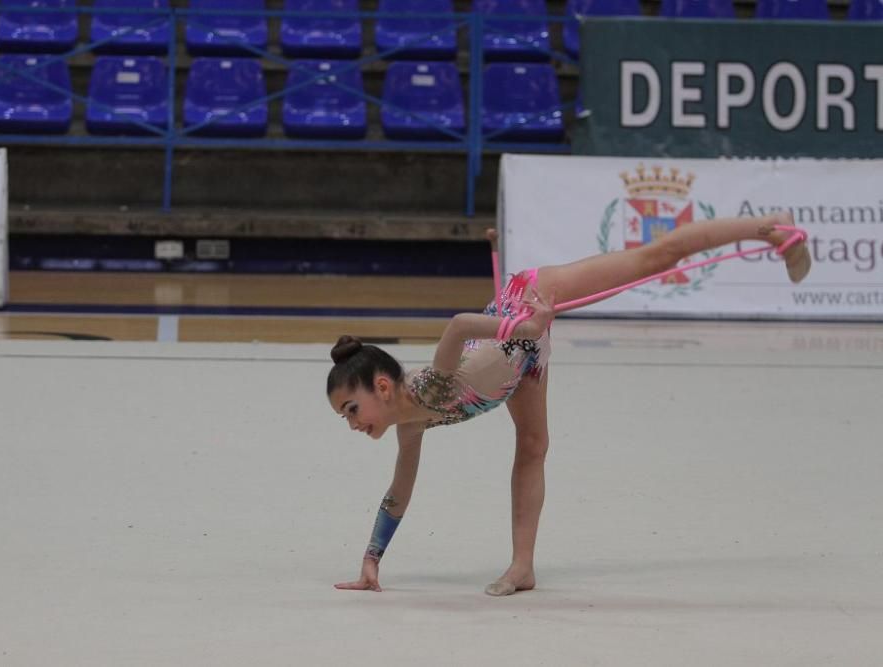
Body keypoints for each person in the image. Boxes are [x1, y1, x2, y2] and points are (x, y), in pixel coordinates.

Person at [327, 211, 810, 596]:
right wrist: (372, 560)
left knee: (653, 258)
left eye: (351, 408)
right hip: (522, 360)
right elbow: (399, 493)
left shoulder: (427, 387)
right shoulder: (410, 427)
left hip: (527, 302)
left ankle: (771, 228)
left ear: (384, 387)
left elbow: (457, 324)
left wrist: (528, 327)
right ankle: (523, 567)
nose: (350, 423)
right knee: (533, 446)